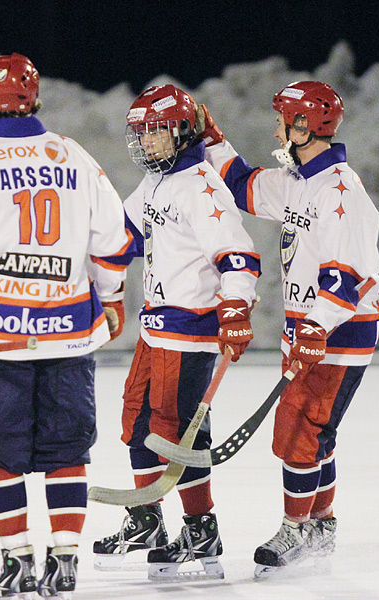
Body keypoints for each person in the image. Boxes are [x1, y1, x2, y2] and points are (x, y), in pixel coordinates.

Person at [0, 53, 133, 599]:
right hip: (68, 332)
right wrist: (113, 300)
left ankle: (17, 561)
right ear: (33, 98)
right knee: (66, 450)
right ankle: (64, 559)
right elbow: (111, 245)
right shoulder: (76, 158)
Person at [199, 81, 379, 576]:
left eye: (283, 118)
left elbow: (348, 278)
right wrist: (211, 139)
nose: (275, 126)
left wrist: (317, 326)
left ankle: (296, 528)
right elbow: (242, 185)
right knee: (315, 431)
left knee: (300, 429)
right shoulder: (296, 180)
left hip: (338, 329)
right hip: (309, 326)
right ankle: (320, 523)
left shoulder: (341, 191)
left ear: (303, 126)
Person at [91, 85, 261, 582]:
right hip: (156, 331)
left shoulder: (204, 187)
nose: (147, 143)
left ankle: (200, 527)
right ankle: (147, 519)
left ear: (184, 132)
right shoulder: (156, 184)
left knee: (179, 432)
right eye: (141, 134)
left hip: (189, 334)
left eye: (157, 132)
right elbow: (121, 233)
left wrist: (235, 310)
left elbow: (238, 256)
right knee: (138, 420)